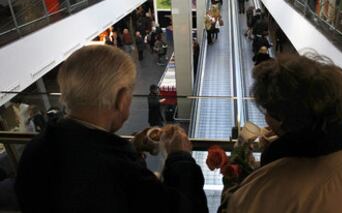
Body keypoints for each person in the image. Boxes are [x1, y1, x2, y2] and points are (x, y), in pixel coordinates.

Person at [15, 45, 208, 213]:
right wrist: (180, 158)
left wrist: (131, 147)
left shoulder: (35, 150)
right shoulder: (125, 177)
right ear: (121, 99)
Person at [227, 53, 342, 212]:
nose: (266, 117)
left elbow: (232, 207)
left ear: (282, 119)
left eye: (268, 111)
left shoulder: (275, 191)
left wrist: (233, 172)